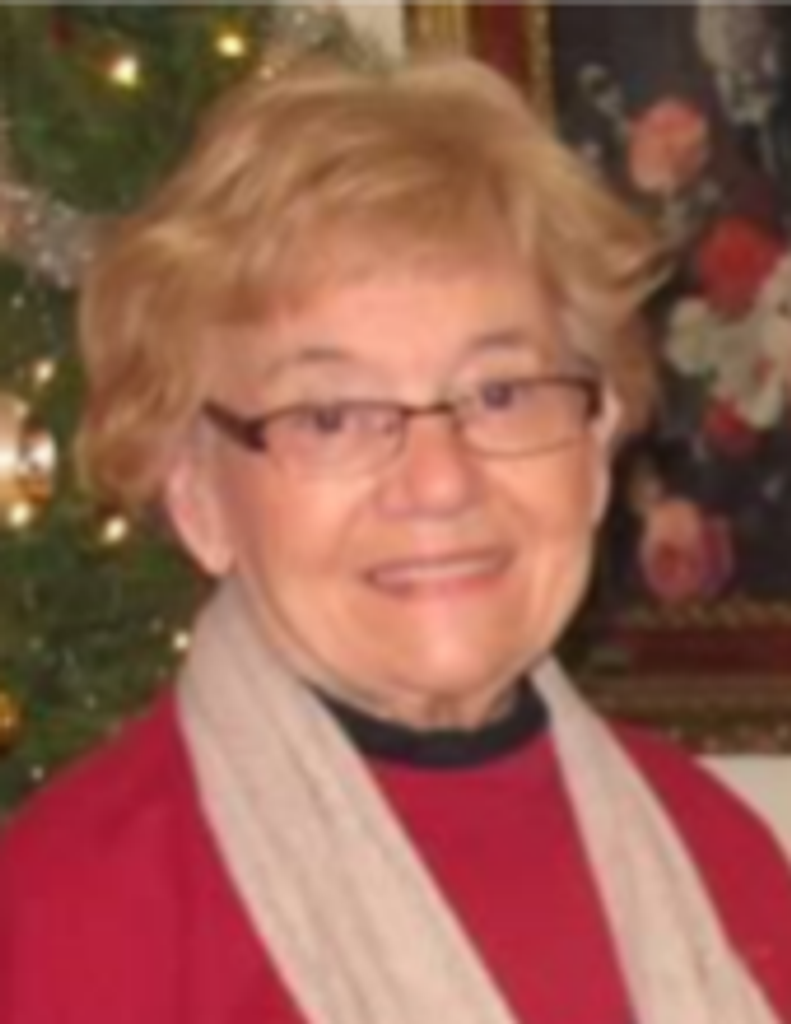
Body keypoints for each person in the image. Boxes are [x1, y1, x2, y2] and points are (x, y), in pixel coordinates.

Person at [0, 49, 789, 1024]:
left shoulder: (718, 859)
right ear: (199, 494)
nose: (439, 480)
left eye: (499, 393)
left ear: (594, 447)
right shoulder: (67, 916)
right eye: (331, 415)